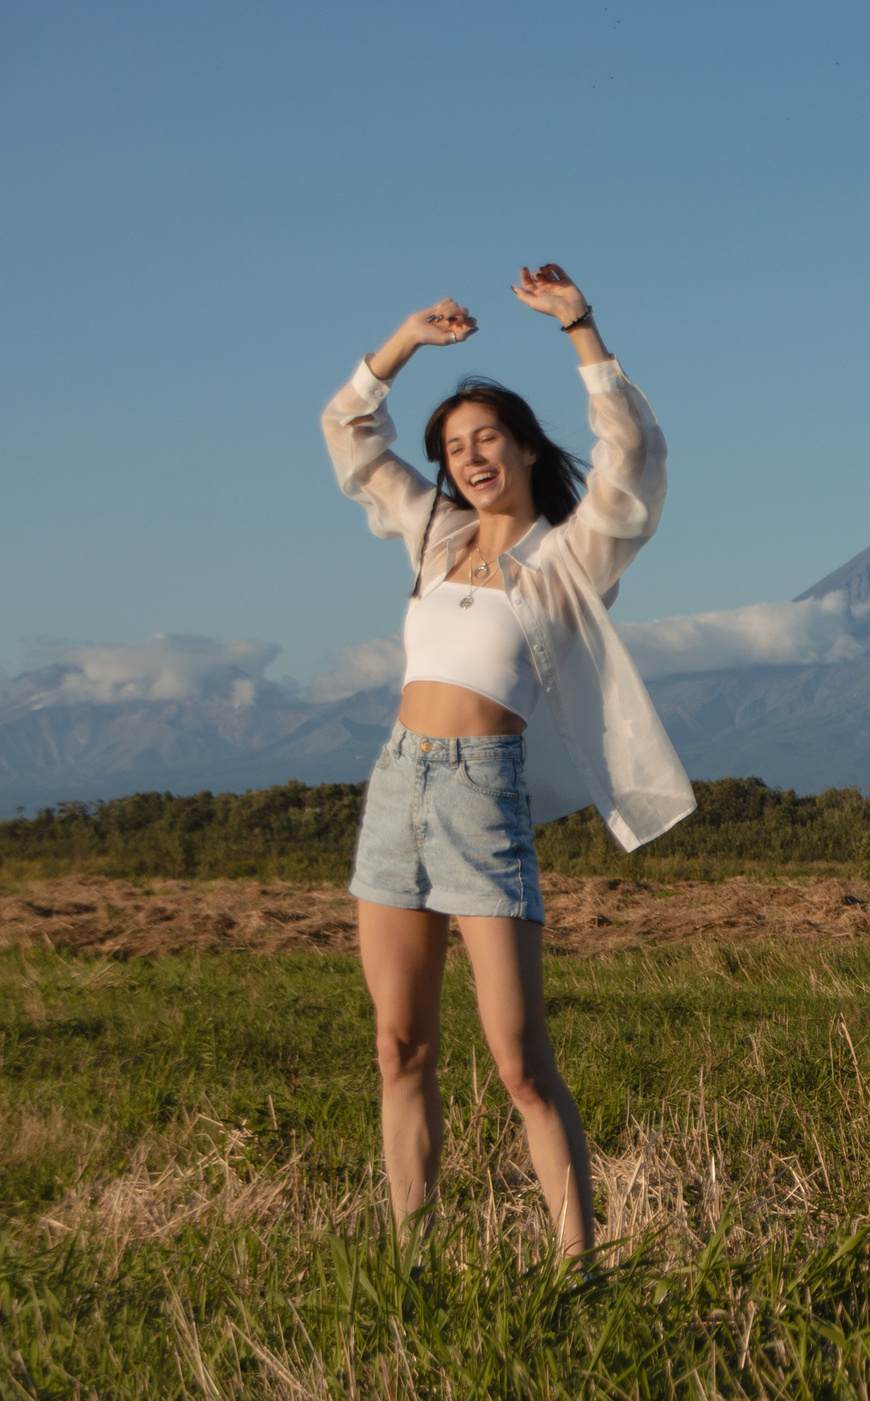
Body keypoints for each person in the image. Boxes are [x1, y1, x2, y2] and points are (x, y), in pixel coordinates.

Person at [320, 265, 695, 1252]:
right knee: (398, 1048)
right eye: (454, 446)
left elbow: (634, 454)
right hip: (397, 787)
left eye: (488, 437)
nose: (471, 455)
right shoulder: (434, 538)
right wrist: (402, 343)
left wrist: (580, 327)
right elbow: (350, 435)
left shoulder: (570, 559)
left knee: (520, 1062)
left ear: (525, 447)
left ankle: (581, 1266)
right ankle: (415, 1259)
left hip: (484, 799)